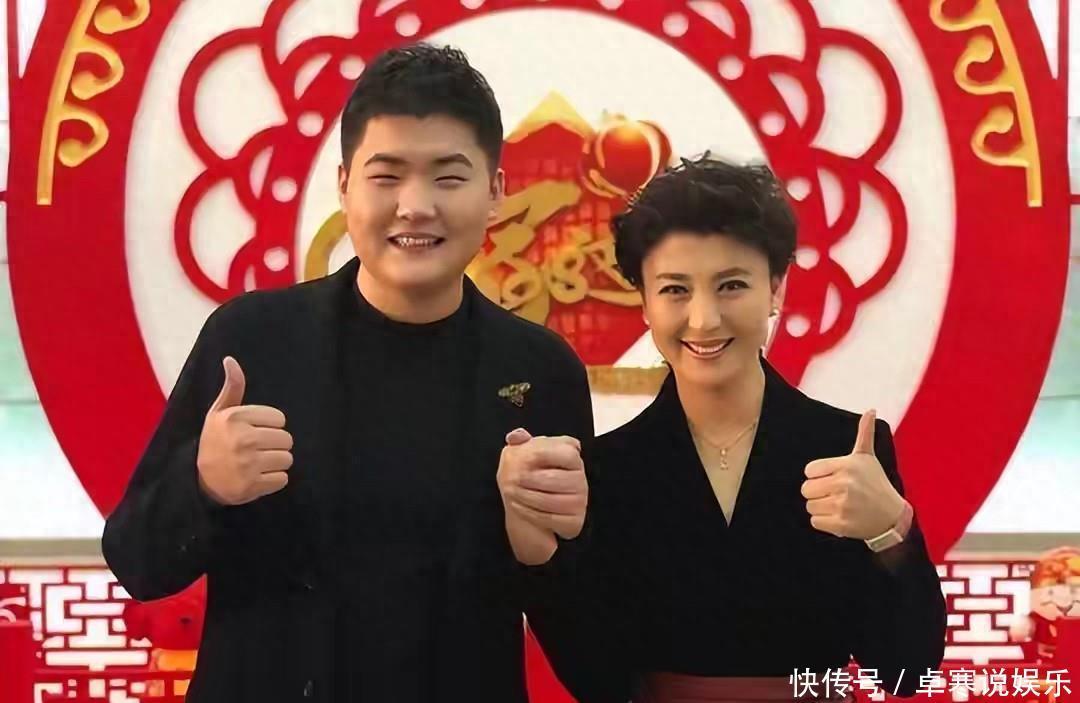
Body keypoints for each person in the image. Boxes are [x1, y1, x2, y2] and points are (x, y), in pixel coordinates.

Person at [102, 43, 592, 702]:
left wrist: (544, 553)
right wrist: (204, 484)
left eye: (448, 177)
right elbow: (135, 560)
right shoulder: (251, 341)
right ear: (343, 186)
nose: (415, 206)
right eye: (386, 176)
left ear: (496, 192)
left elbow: (590, 650)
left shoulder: (538, 370)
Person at [498, 156, 946, 702]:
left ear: (776, 288)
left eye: (731, 285)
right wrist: (540, 557)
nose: (704, 319)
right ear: (644, 301)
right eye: (675, 290)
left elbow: (906, 671)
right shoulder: (610, 468)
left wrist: (891, 534)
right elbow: (598, 681)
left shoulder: (846, 451)